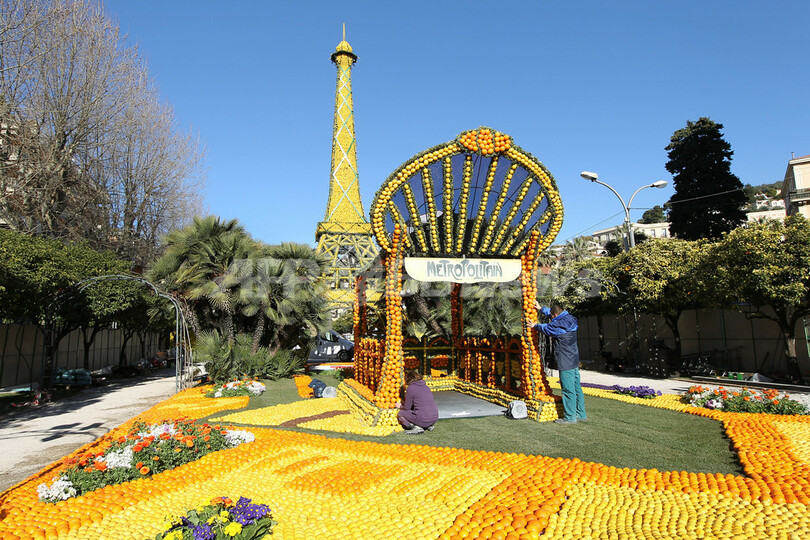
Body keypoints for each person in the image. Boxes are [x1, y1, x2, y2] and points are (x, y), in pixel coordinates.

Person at [535, 301, 587, 424]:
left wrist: (535, 326)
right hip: (573, 360)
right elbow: (555, 316)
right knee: (576, 387)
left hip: (566, 361)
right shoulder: (569, 318)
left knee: (568, 389)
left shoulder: (559, 327)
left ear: (555, 314)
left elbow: (548, 328)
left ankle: (570, 417)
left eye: (552, 315)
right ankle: (581, 413)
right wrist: (541, 308)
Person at [396, 370, 439, 434]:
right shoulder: (426, 387)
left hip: (423, 419)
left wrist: (400, 406)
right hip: (434, 418)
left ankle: (416, 428)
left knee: (400, 414)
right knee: (419, 413)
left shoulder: (411, 388)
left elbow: (407, 408)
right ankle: (428, 426)